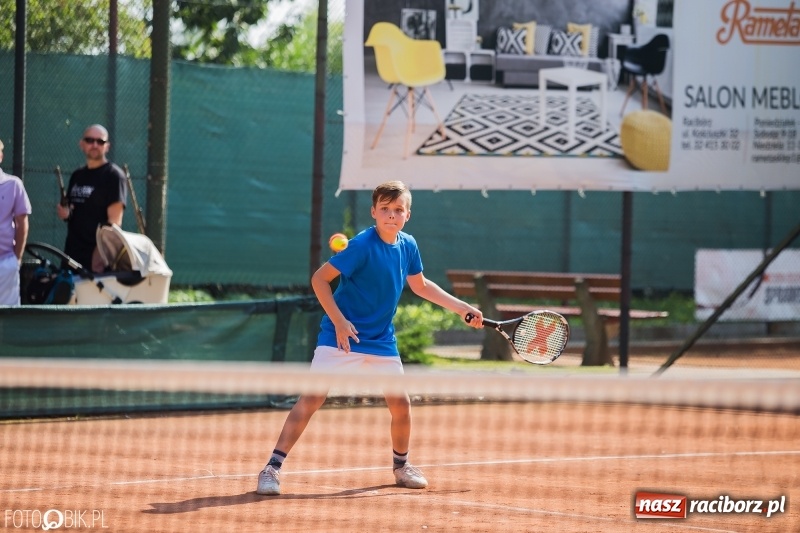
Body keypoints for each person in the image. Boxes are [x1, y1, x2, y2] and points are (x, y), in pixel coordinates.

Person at [256, 180, 484, 496]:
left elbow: (420, 286)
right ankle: (272, 468)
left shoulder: (408, 245)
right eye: (386, 210)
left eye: (398, 210)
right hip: (341, 335)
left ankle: (401, 466)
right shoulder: (361, 245)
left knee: (401, 404)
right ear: (374, 212)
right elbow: (319, 280)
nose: (392, 215)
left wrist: (461, 308)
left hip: (381, 339)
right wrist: (338, 322)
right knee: (312, 398)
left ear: (408, 215)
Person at [56, 124, 127, 272]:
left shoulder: (114, 176)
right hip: (72, 254)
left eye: (100, 141)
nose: (95, 145)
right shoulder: (77, 175)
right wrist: (66, 214)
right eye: (89, 140)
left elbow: (115, 222)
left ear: (107, 146)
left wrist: (100, 254)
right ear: (82, 144)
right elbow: (73, 210)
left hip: (97, 260)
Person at [0, 139, 32, 306]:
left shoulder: (13, 184)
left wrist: (16, 260)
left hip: (5, 265)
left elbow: (22, 223)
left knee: (6, 322)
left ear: (1, 156)